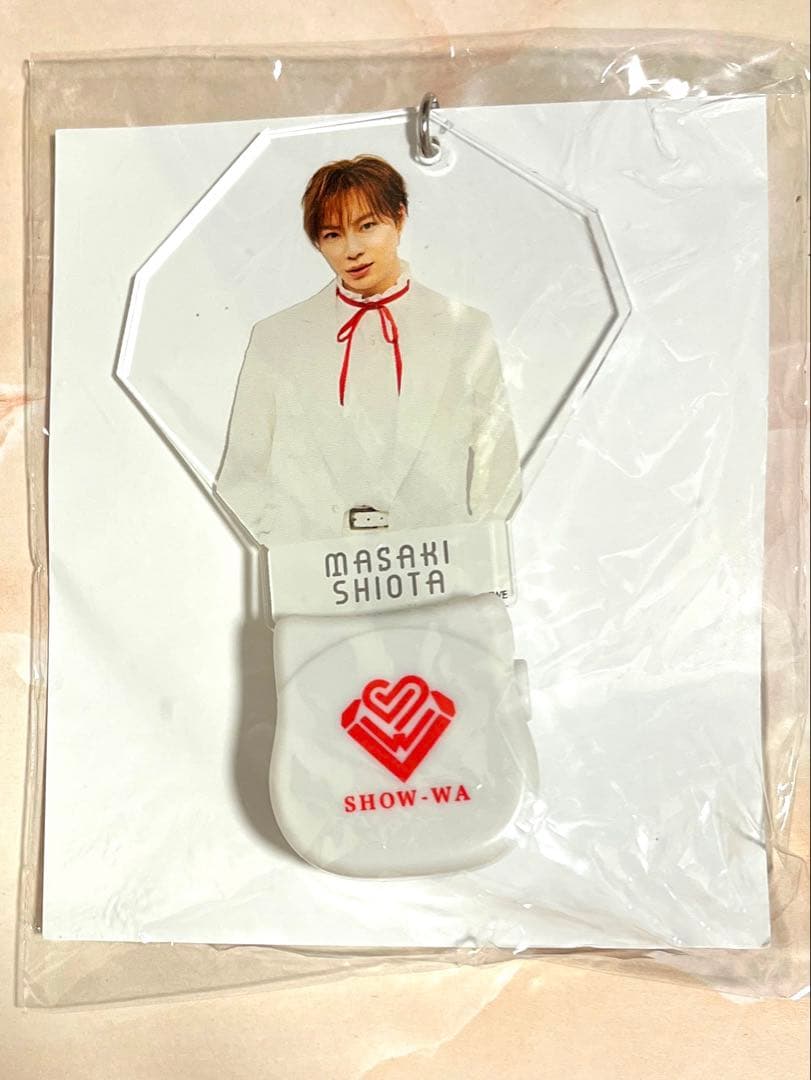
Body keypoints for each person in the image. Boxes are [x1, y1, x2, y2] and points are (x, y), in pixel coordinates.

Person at [215, 154, 520, 545]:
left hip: (435, 563)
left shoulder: (465, 329)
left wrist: (468, 552)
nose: (352, 249)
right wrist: (294, 547)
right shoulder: (277, 337)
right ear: (317, 243)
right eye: (332, 235)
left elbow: (500, 468)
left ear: (400, 219)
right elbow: (242, 472)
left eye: (367, 226)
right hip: (320, 565)